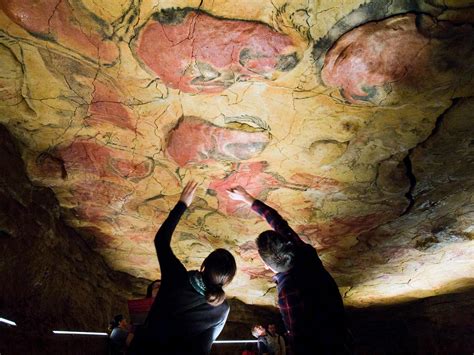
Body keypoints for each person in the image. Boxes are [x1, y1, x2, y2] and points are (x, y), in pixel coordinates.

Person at [228, 186, 348, 354]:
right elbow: (278, 222)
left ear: (267, 266)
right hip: (335, 322)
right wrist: (248, 198)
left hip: (326, 344)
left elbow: (298, 336)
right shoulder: (304, 251)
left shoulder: (288, 293)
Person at [129, 181, 237, 354]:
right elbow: (203, 348)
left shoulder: (176, 276)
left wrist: (183, 203)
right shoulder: (221, 309)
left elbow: (161, 240)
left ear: (203, 265)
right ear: (227, 281)